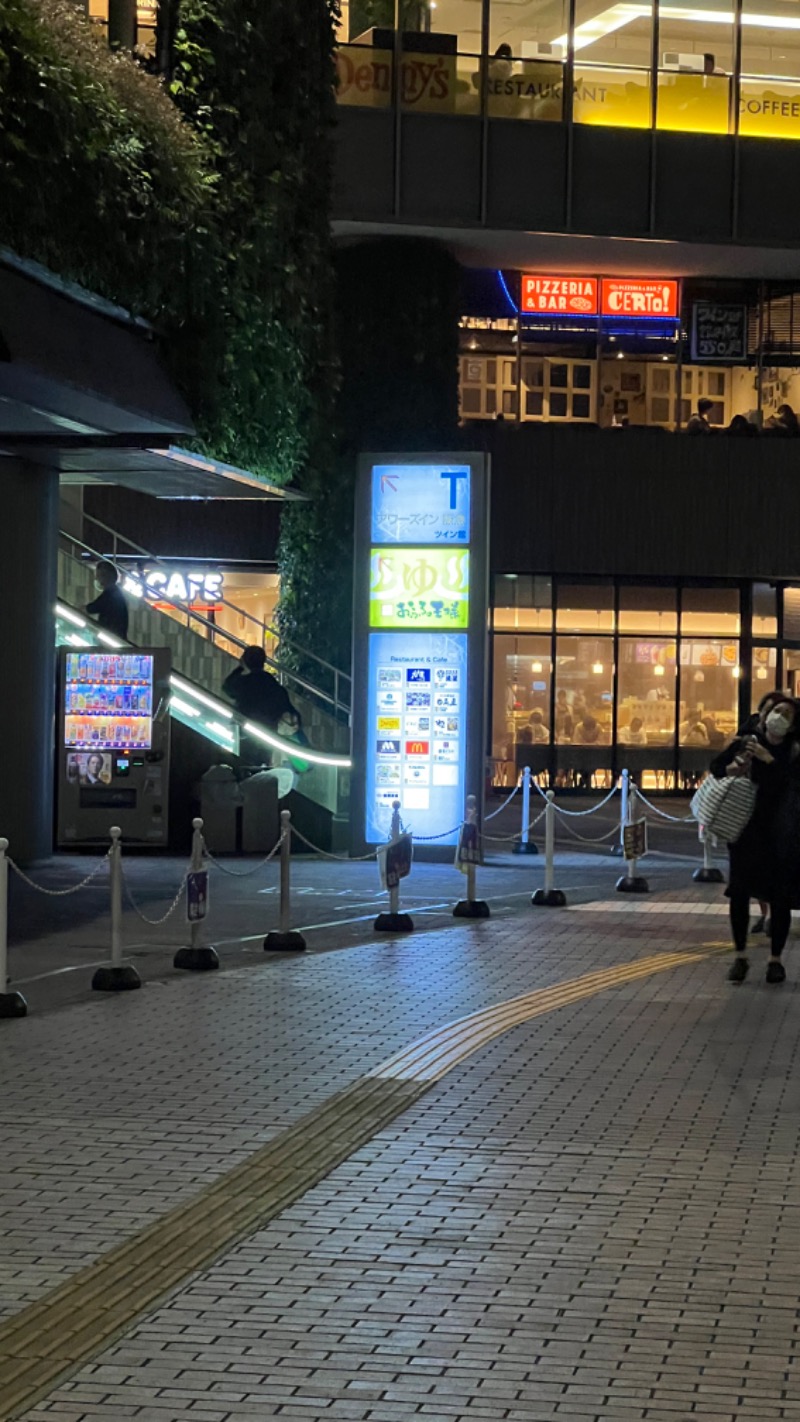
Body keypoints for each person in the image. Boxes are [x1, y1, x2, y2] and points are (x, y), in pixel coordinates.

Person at [711, 696, 800, 984]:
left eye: (786, 713)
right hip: (746, 829)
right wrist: (732, 769)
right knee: (739, 892)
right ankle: (740, 956)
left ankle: (775, 960)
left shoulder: (794, 749)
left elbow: (791, 782)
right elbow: (716, 767)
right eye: (776, 711)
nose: (779, 716)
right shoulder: (748, 741)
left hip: (781, 831)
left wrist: (768, 759)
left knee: (780, 896)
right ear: (765, 715)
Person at [222, 645, 293, 728]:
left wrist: (240, 668)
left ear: (244, 660)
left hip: (246, 725)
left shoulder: (244, 682)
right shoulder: (270, 680)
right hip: (267, 726)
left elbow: (227, 688)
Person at [86, 561, 128, 641]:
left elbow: (93, 607)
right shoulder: (115, 592)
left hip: (111, 637)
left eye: (98, 575)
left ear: (105, 576)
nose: (96, 579)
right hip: (115, 637)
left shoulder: (110, 593)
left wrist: (81, 608)